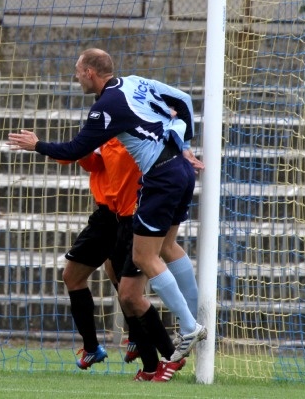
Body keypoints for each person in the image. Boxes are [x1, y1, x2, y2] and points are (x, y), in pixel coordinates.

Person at [8, 48, 207, 363]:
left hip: (160, 178)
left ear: (89, 72)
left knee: (145, 257)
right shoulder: (134, 83)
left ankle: (188, 326)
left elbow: (76, 149)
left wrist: (37, 145)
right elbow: (183, 100)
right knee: (168, 246)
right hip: (179, 171)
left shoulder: (105, 108)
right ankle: (193, 321)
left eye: (77, 71)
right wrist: (185, 145)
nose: (76, 77)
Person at [62, 136, 202, 382]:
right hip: (109, 215)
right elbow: (94, 160)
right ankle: (119, 352)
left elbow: (177, 118)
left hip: (134, 217)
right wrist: (73, 150)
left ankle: (169, 353)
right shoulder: (107, 119)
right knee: (88, 277)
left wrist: (184, 148)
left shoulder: (140, 121)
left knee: (130, 292)